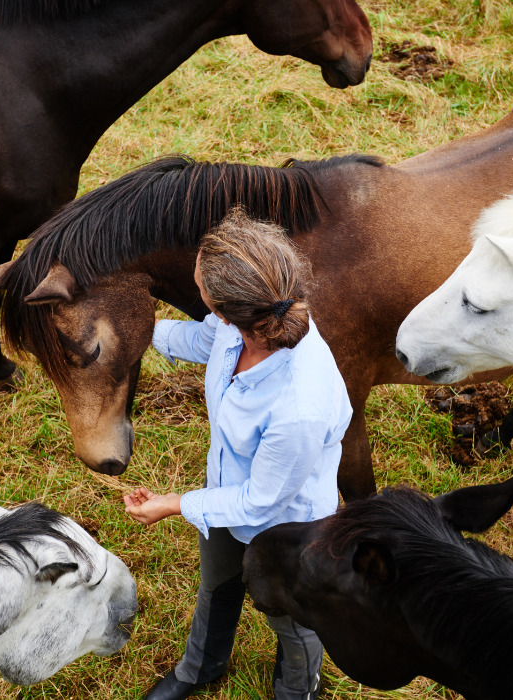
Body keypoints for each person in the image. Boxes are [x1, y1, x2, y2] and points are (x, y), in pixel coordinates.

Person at [123, 207, 353, 700]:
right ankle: (200, 668)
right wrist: (135, 328)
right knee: (218, 583)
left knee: (291, 621)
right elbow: (205, 340)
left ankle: (296, 690)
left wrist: (172, 503)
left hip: (287, 526)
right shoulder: (247, 321)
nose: (194, 280)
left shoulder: (298, 408)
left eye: (199, 281)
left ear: (227, 307)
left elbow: (260, 502)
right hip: (226, 493)